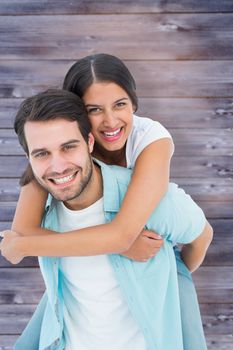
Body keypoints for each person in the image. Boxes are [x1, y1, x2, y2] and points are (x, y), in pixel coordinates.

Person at [0, 89, 212, 350]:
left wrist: (168, 277)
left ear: (90, 142)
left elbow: (203, 236)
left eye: (68, 147)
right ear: (28, 159)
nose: (58, 166)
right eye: (42, 153)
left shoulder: (152, 200)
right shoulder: (42, 212)